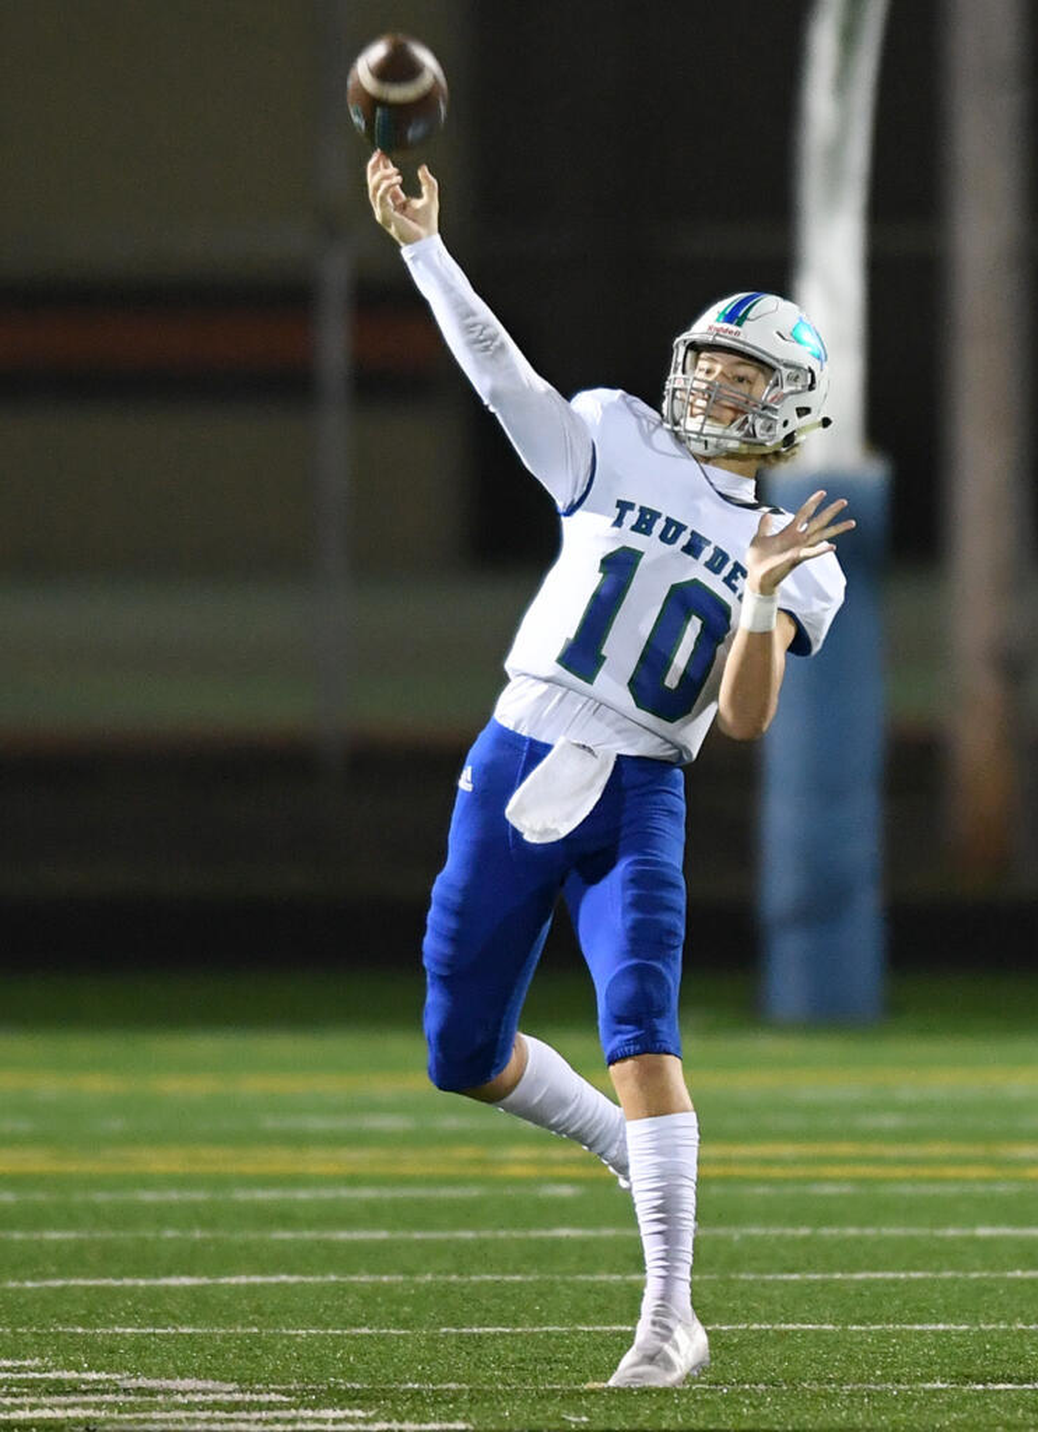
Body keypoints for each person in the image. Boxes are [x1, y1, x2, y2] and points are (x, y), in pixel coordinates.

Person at [366, 151, 853, 1388]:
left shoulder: (799, 551)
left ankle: (671, 1314)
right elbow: (498, 375)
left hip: (640, 785)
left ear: (785, 404)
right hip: (519, 747)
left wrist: (757, 596)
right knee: (459, 1050)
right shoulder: (610, 436)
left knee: (642, 1020)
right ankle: (619, 1145)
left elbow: (740, 722)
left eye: (743, 377)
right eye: (708, 363)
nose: (711, 386)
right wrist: (424, 244)